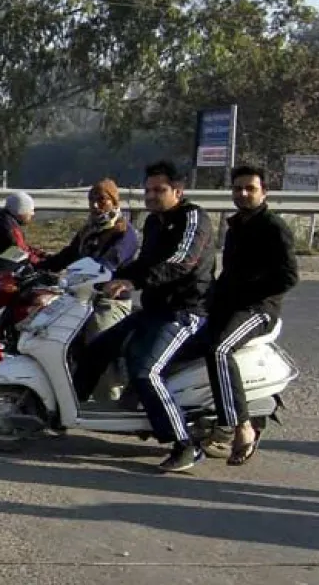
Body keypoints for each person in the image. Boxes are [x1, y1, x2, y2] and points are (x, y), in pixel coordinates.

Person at [74, 161, 214, 472]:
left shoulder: (194, 218)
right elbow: (144, 262)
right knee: (97, 347)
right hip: (153, 308)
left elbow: (181, 263)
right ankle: (64, 415)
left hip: (184, 311)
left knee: (146, 372)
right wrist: (104, 277)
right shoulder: (153, 222)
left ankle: (185, 444)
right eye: (148, 189)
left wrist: (132, 282)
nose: (151, 195)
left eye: (159, 190)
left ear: (177, 191)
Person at [191, 165, 299, 465]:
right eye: (237, 188)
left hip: (258, 309)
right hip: (229, 306)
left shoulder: (273, 227)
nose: (243, 193)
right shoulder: (237, 224)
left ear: (263, 192)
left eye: (250, 188)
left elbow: (289, 277)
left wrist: (247, 294)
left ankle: (240, 426)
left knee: (219, 349)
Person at [43, 179, 141, 400]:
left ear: (114, 201)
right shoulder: (88, 230)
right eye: (92, 200)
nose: (96, 206)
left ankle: (110, 398)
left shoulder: (124, 232)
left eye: (102, 200)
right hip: (81, 297)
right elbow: (67, 255)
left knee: (99, 336)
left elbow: (107, 265)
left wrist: (76, 276)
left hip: (110, 301)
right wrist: (37, 266)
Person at [0, 191, 43, 270]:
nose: (32, 214)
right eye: (31, 210)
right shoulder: (10, 228)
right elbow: (22, 254)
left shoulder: (3, 219)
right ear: (21, 211)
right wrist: (44, 263)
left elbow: (23, 249)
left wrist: (41, 254)